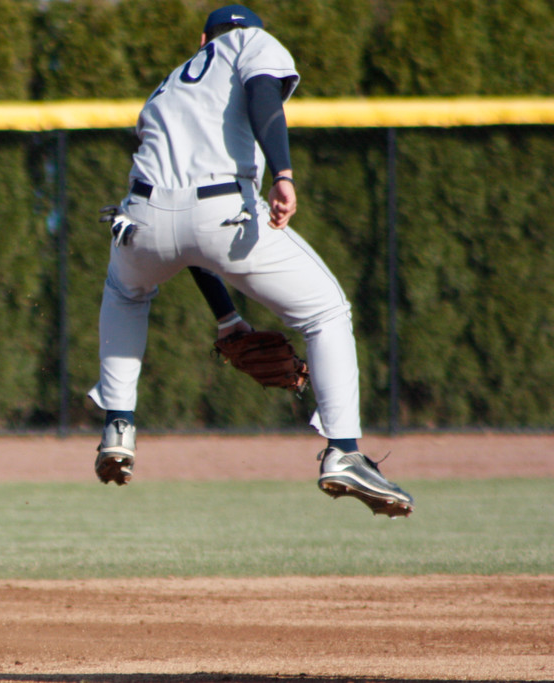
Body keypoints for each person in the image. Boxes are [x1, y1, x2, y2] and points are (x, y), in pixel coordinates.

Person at [87, 4, 414, 518]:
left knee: (126, 293)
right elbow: (264, 95)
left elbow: (183, 236)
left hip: (143, 217)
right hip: (222, 208)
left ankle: (119, 422)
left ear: (202, 39)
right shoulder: (251, 43)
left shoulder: (166, 88)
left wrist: (227, 317)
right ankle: (344, 451)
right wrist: (283, 171)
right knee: (326, 312)